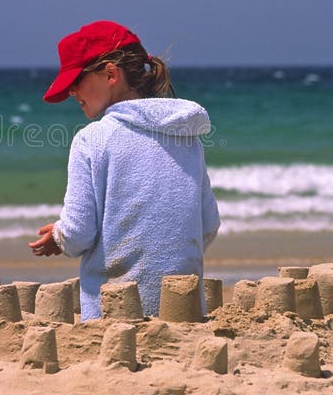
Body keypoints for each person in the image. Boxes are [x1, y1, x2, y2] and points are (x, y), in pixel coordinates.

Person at [29, 20, 220, 320]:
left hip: (115, 315)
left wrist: (59, 235)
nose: (71, 94)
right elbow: (209, 224)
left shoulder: (91, 140)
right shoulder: (187, 136)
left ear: (110, 74)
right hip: (183, 311)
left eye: (76, 81)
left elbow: (79, 233)